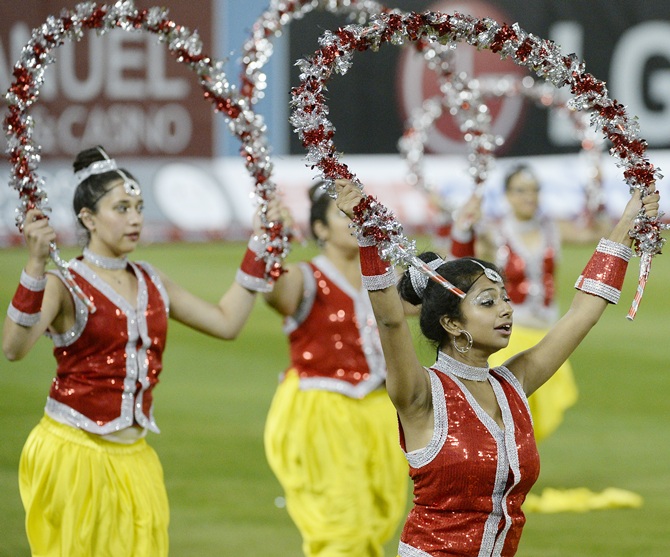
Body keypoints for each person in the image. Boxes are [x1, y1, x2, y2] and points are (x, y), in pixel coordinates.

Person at [335, 178, 658, 556]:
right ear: (452, 324)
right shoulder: (421, 394)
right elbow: (390, 322)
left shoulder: (512, 384)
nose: (506, 308)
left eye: (505, 298)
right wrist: (367, 237)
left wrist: (626, 224)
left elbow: (582, 313)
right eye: (488, 302)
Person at [2, 146, 280, 557]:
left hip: (136, 460)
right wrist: (35, 267)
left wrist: (260, 245)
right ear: (88, 218)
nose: (135, 217)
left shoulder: (153, 280)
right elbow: (13, 348)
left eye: (139, 206)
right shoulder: (65, 285)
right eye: (121, 208)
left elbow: (226, 322)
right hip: (72, 456)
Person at [262, 182, 408, 557]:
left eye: (356, 214)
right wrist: (271, 243)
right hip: (322, 411)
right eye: (340, 216)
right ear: (321, 230)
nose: (352, 222)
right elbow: (276, 296)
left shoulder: (384, 280)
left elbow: (434, 309)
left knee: (379, 519)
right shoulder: (305, 276)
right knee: (341, 525)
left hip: (380, 412)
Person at [449, 164, 609, 441]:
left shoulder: (552, 228)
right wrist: (463, 226)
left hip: (548, 335)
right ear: (508, 195)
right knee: (504, 416)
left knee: (532, 425)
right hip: (510, 335)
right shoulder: (495, 233)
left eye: (534, 190)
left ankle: (519, 474)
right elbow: (458, 262)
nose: (529, 197)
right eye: (521, 190)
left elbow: (597, 234)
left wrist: (598, 195)